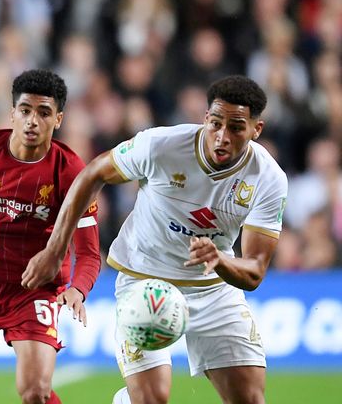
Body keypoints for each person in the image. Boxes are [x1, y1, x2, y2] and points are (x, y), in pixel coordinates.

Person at [22, 75, 288, 404]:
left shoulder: (269, 178)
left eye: (236, 128)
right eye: (216, 124)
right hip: (144, 282)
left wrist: (221, 259)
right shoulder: (162, 146)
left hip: (214, 290)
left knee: (250, 399)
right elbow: (93, 173)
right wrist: (54, 250)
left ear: (256, 129)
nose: (222, 137)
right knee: (152, 399)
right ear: (205, 118)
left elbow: (256, 270)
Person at [0, 70, 102, 404]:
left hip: (33, 290)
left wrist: (78, 290)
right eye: (25, 111)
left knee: (36, 391)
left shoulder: (69, 172)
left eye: (43, 113)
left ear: (59, 119)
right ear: (12, 113)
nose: (32, 121)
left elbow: (90, 253)